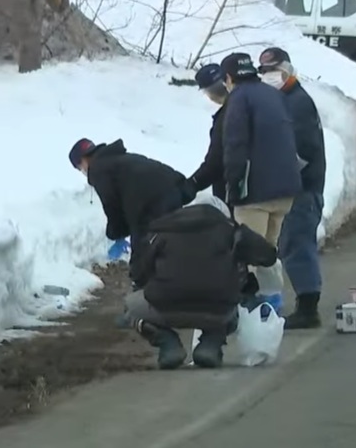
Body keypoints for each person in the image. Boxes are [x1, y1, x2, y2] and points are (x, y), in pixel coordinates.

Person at [123, 201, 279, 369]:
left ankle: (168, 344)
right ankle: (210, 344)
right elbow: (268, 256)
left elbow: (139, 273)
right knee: (237, 304)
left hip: (165, 308)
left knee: (130, 307)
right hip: (219, 311)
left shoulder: (162, 232)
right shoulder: (231, 231)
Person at [257, 47, 326, 330]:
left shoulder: (296, 103)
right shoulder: (283, 100)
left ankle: (308, 307)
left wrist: (280, 175)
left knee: (297, 245)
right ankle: (305, 303)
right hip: (294, 186)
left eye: (275, 71)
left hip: (302, 188)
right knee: (291, 244)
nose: (270, 77)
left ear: (288, 70)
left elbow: (303, 149)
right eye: (264, 72)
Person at [69, 138, 195, 281]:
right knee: (169, 249)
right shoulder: (121, 159)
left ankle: (147, 295)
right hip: (172, 195)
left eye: (80, 168)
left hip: (148, 208)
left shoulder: (99, 170)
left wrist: (115, 233)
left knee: (141, 265)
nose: (83, 172)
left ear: (83, 161)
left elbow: (112, 207)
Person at [219, 52, 302, 243]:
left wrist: (233, 189)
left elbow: (235, 146)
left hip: (255, 195)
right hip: (285, 190)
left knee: (250, 258)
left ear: (229, 78)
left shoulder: (239, 99)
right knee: (268, 256)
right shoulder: (274, 94)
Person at [186, 63, 229, 204]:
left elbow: (215, 162)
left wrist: (192, 184)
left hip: (239, 193)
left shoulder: (227, 116)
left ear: (209, 93)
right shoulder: (253, 103)